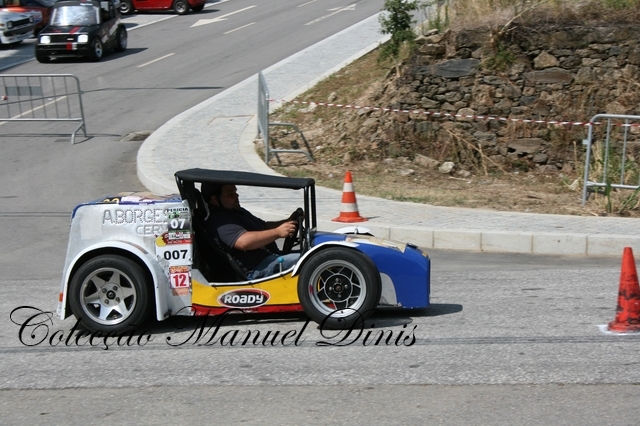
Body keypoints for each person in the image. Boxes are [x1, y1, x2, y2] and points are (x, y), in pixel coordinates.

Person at [201, 182, 301, 280]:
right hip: (257, 269)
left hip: (271, 257)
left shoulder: (236, 211)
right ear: (214, 199)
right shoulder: (219, 221)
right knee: (307, 261)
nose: (236, 195)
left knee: (307, 253)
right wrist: (277, 232)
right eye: (230, 194)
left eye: (235, 192)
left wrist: (287, 222)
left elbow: (264, 226)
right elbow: (244, 242)